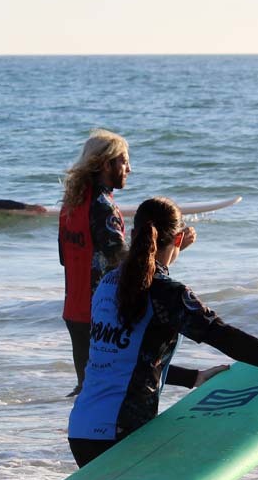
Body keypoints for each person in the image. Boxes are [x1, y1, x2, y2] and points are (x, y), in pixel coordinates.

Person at [67, 197, 258, 467]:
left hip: (82, 429)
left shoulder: (108, 284)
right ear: (180, 239)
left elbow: (119, 360)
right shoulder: (168, 294)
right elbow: (226, 337)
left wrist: (193, 378)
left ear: (134, 235)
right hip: (120, 435)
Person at [58, 130, 196, 395]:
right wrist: (176, 247)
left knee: (88, 385)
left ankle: (74, 431)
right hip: (101, 308)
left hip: (74, 308)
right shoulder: (104, 206)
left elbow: (66, 258)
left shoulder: (71, 204)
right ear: (106, 164)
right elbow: (125, 263)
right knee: (111, 386)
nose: (129, 168)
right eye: (123, 161)